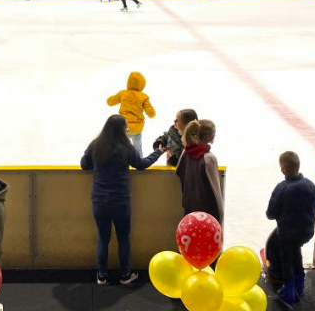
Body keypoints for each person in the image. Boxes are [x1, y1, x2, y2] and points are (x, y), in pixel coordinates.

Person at [80, 115, 162, 285]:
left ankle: (101, 275)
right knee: (123, 238)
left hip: (100, 200)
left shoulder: (96, 145)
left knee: (103, 237)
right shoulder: (126, 148)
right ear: (121, 129)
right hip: (120, 201)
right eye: (126, 126)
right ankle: (125, 275)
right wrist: (158, 152)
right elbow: (141, 164)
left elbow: (84, 164)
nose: (127, 129)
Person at [265, 151, 315, 306]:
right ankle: (300, 285)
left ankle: (289, 292)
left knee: (287, 259)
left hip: (288, 233)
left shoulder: (282, 188)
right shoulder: (309, 184)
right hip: (306, 231)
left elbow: (271, 213)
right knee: (296, 253)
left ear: (283, 169)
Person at [176, 120, 224, 225]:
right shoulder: (209, 159)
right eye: (213, 133)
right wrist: (220, 217)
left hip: (189, 209)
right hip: (206, 214)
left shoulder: (186, 152)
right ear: (208, 137)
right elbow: (214, 190)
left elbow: (178, 171)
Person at [107, 71, 155, 152]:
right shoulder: (143, 97)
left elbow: (110, 102)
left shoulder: (123, 94)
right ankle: (139, 161)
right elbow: (151, 113)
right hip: (137, 129)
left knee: (119, 144)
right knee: (138, 147)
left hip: (123, 127)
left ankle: (119, 159)